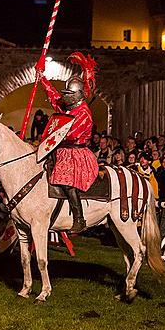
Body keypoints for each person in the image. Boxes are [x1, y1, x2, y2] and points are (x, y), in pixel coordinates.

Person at [36, 52, 99, 234]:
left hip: (76, 154)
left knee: (66, 181)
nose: (66, 97)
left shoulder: (83, 113)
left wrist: (52, 137)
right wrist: (42, 79)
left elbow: (69, 134)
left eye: (69, 94)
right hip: (60, 151)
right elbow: (54, 97)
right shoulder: (69, 107)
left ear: (78, 94)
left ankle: (79, 219)